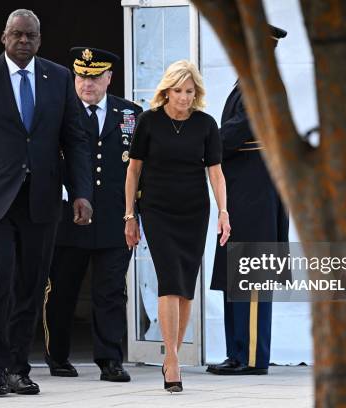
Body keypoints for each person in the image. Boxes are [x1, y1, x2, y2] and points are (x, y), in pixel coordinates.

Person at [0, 9, 93, 396]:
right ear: (3, 37)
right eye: (17, 35)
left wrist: (81, 193)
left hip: (42, 199)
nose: (23, 41)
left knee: (31, 284)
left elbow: (75, 139)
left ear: (40, 40)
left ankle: (17, 367)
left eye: (30, 36)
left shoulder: (59, 79)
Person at [124, 60, 230, 393]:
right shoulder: (148, 121)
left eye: (189, 91)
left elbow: (216, 173)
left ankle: (174, 354)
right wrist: (130, 215)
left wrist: (223, 211)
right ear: (166, 91)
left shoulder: (206, 125)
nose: (184, 98)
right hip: (157, 210)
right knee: (170, 279)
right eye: (178, 91)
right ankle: (171, 358)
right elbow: (133, 171)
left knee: (185, 286)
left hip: (194, 212)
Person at [43, 47, 142, 382]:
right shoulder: (57, 112)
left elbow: (142, 170)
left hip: (115, 218)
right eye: (82, 75)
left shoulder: (130, 114)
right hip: (68, 219)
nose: (87, 82)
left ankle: (110, 359)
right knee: (62, 291)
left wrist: (135, 214)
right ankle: (57, 356)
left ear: (109, 78)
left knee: (111, 291)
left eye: (95, 76)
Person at [207, 25, 289, 376]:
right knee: (235, 276)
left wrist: (198, 141)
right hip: (244, 194)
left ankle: (252, 357)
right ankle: (237, 352)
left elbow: (236, 132)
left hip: (256, 195)